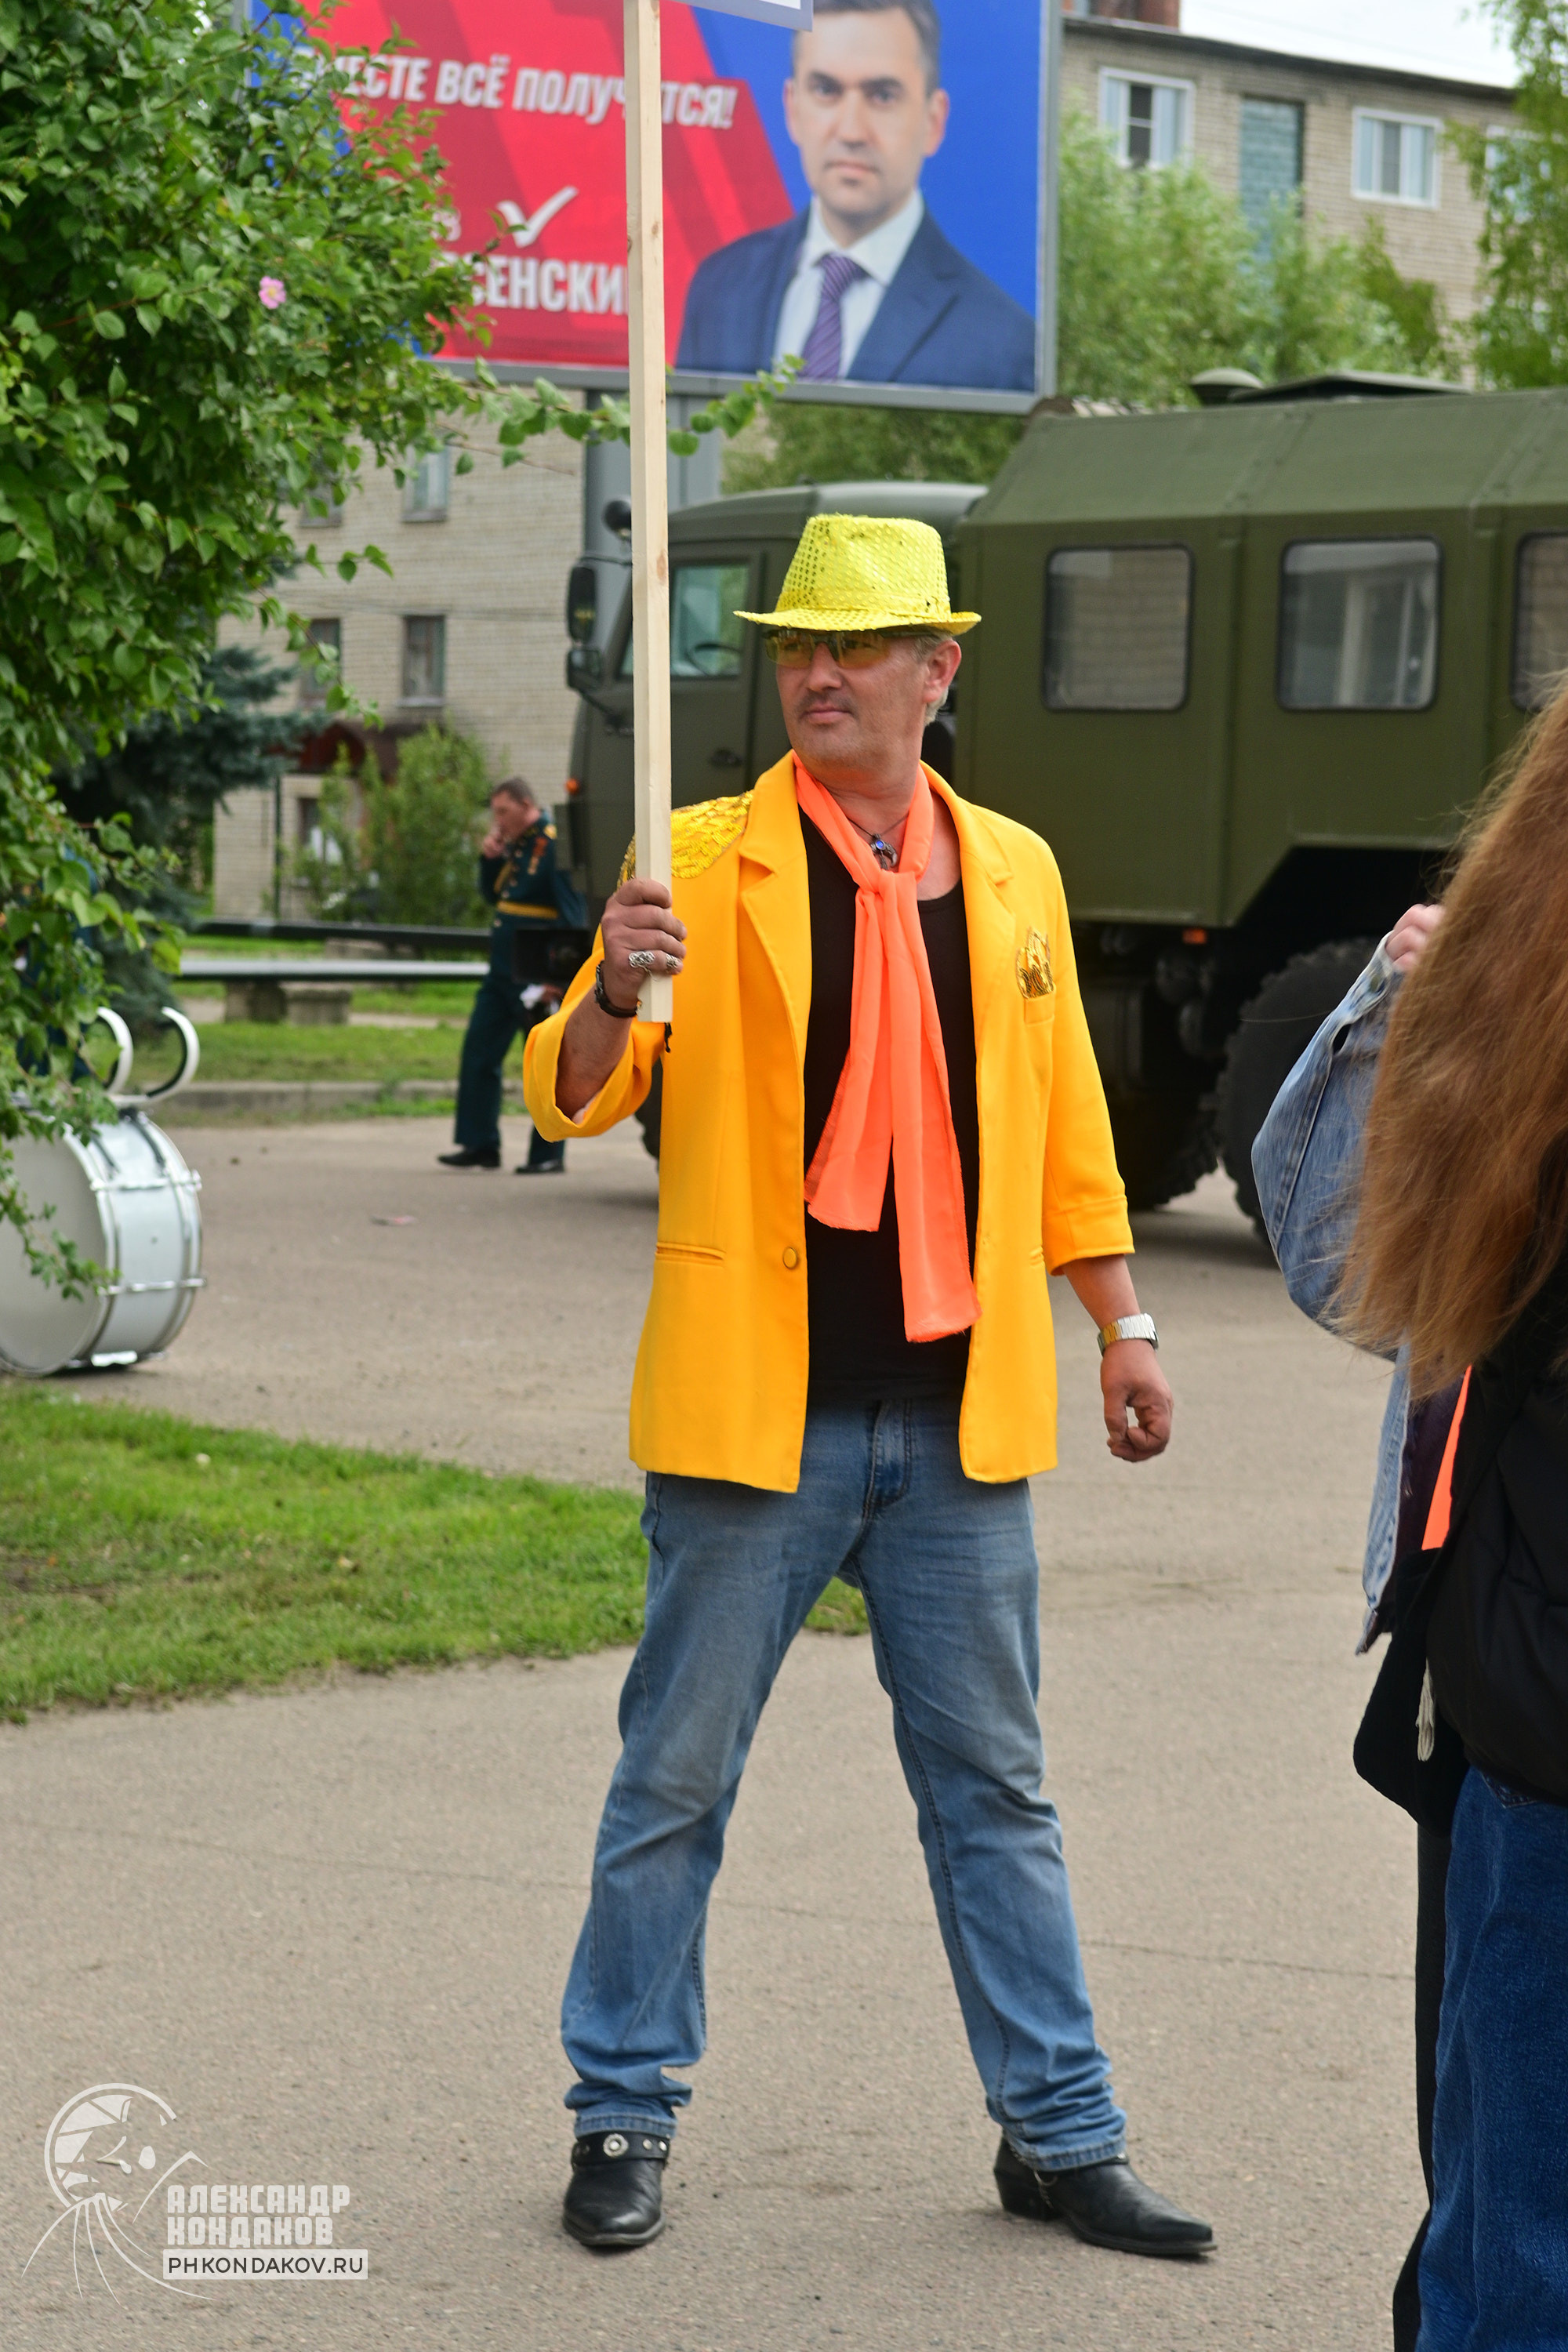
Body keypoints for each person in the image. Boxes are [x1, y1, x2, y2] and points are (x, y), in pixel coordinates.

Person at [524, 513, 1212, 2259]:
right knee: (674, 1785)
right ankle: (620, 2112)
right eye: (796, 648)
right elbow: (575, 1094)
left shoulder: (1015, 870)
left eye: (855, 646)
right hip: (757, 1420)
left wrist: (1123, 1322)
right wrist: (611, 986)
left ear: (936, 669)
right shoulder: (696, 855)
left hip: (958, 1424)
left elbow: (1065, 1121)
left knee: (998, 1796)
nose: (817, 675)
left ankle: (1060, 2137)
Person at [1252, 902, 1450, 2352]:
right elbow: (1333, 1254)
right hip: (1505, 1684)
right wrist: (1389, 1002)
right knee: (1493, 2137)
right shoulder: (1515, 1071)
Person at [675, 0, 1035, 393]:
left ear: (933, 121)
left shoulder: (1005, 342)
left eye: (882, 96)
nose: (851, 132)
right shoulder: (719, 287)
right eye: (826, 90)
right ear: (792, 109)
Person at [439, 778, 586, 1176]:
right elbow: (496, 896)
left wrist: (559, 977)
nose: (498, 820)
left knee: (543, 1064)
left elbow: (572, 914)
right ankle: (480, 1144)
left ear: (526, 805)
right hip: (502, 971)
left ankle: (547, 1154)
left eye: (503, 811)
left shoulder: (552, 843)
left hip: (536, 974)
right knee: (479, 1052)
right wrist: (489, 860)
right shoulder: (516, 846)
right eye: (495, 812)